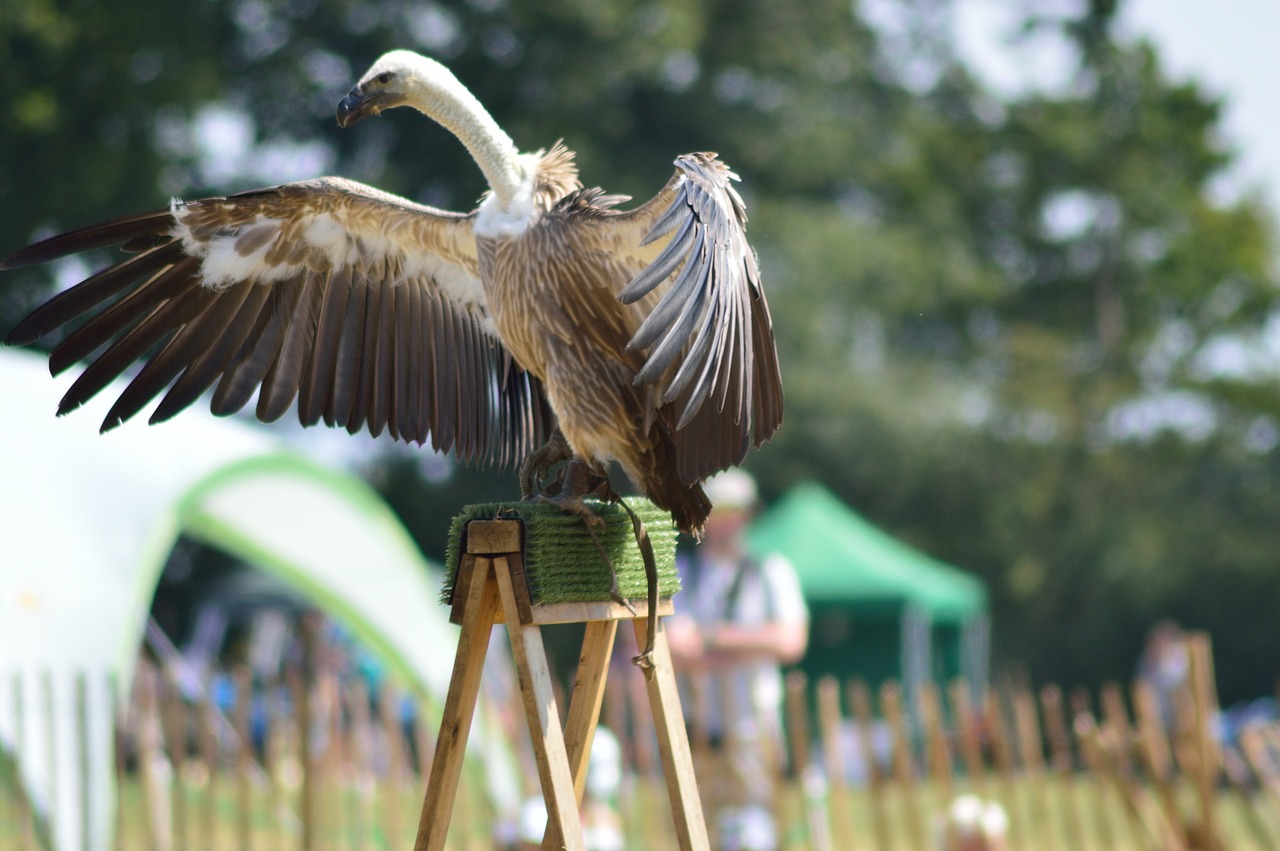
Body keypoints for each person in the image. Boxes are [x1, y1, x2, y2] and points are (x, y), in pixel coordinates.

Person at [666, 469, 809, 851]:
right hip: (697, 723)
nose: (728, 520)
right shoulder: (683, 572)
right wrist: (749, 643)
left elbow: (790, 641)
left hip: (754, 724)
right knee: (698, 827)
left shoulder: (771, 571)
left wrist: (713, 640)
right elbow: (674, 645)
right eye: (719, 510)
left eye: (736, 510)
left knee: (759, 825)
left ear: (748, 515)